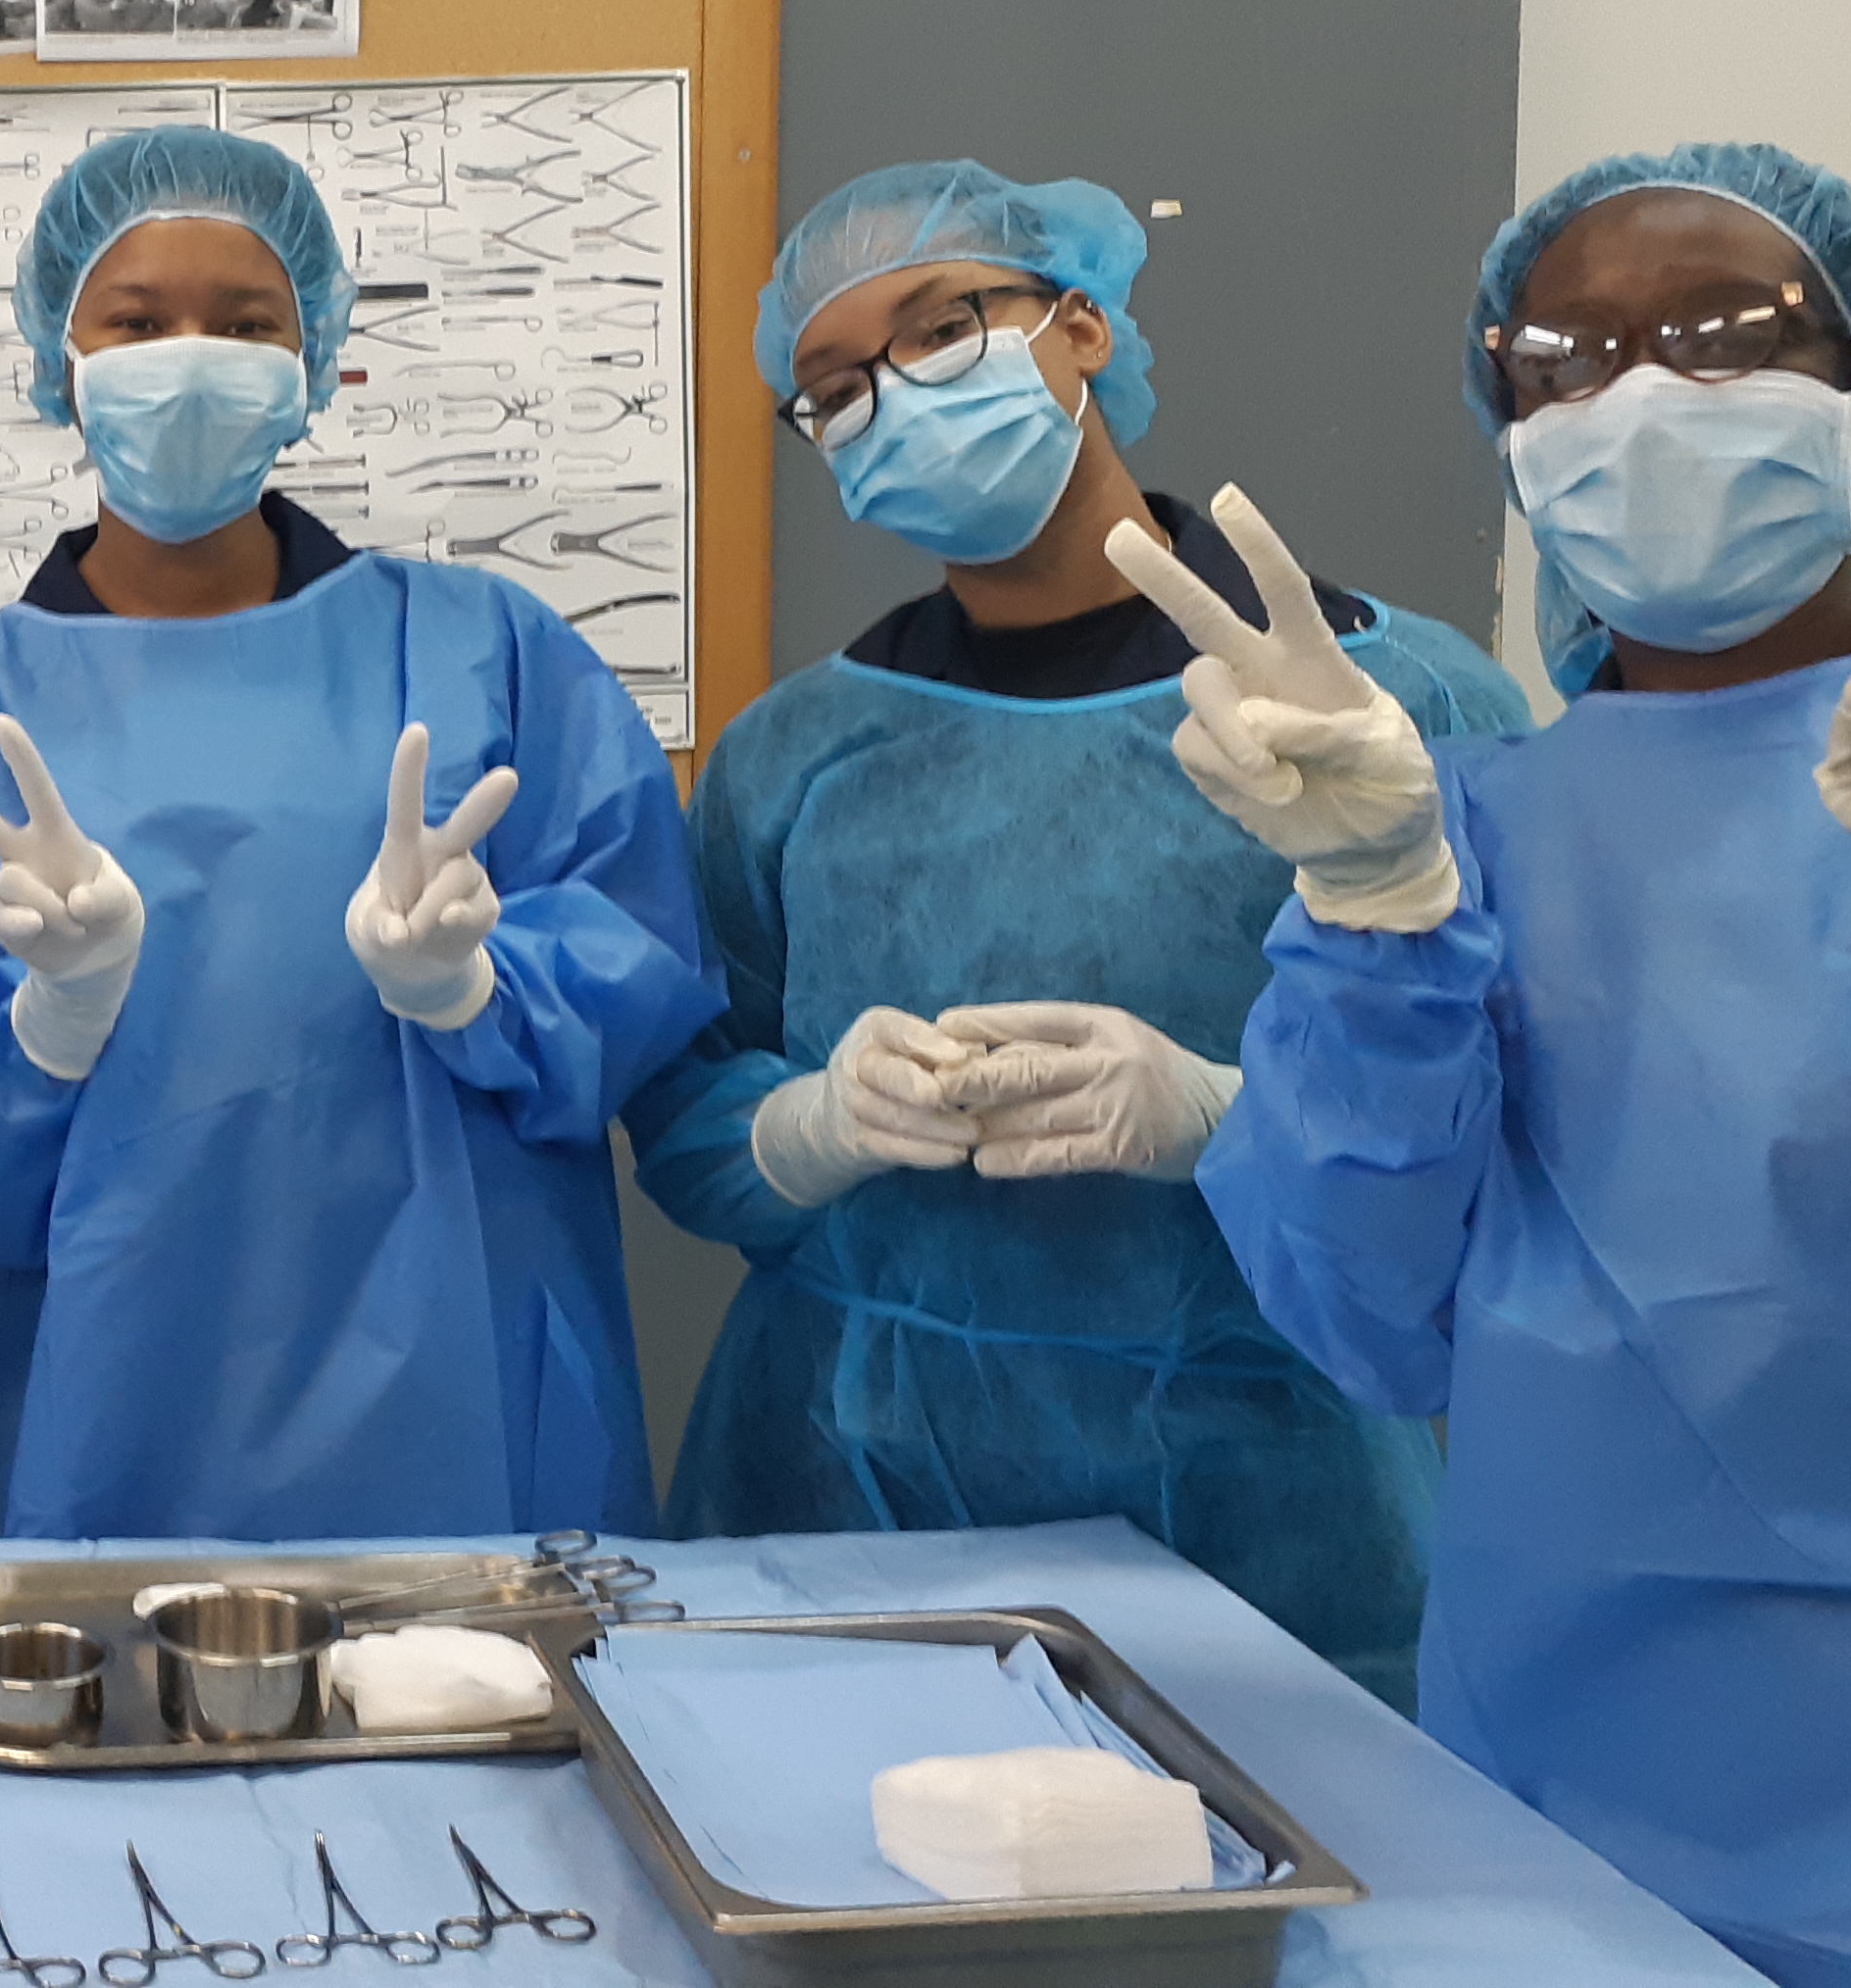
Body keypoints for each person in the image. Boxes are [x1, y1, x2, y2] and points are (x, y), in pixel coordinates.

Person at [1136, 143, 1851, 1985]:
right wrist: (1370, 912)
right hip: (1556, 1796)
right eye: (1564, 357)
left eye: (1724, 333)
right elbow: (1368, 1327)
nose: (1641, 395)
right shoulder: (1457, 826)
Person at [621, 161, 1521, 1712]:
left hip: (1281, 1523)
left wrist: (1227, 1118)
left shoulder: (1392, 707)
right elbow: (695, 1120)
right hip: (852, 1490)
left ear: (1083, 325)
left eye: (939, 330)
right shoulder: (797, 756)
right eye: (835, 389)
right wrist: (813, 1123)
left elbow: (1524, 1132)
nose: (892, 399)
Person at [0, 128, 720, 1539]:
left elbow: (638, 951)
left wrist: (478, 989)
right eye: (137, 322)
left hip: (466, 1391)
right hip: (129, 1394)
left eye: (245, 325)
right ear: (59, 362)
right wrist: (49, 1023)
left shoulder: (482, 651)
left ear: (317, 364)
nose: (191, 360)